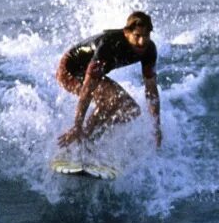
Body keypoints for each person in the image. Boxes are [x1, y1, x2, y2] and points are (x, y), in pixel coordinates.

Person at [56, 11, 162, 148]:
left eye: (146, 36)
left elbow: (151, 90)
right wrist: (77, 125)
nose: (142, 42)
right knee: (113, 100)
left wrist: (156, 126)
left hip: (90, 72)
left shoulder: (149, 50)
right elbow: (88, 88)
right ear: (126, 33)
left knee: (130, 110)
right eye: (137, 36)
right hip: (69, 70)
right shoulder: (109, 44)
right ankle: (81, 140)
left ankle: (89, 140)